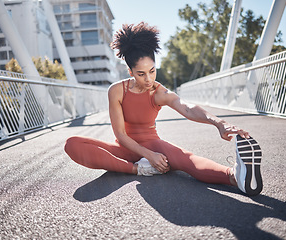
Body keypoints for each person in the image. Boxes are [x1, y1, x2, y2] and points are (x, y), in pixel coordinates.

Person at [64, 22, 263, 196]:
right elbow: (121, 135)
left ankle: (236, 177)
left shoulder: (158, 92)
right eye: (141, 74)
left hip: (154, 146)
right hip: (124, 149)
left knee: (187, 160)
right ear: (130, 71)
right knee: (72, 144)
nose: (149, 79)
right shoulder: (117, 91)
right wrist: (144, 163)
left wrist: (219, 122)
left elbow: (187, 107)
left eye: (152, 71)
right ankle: (135, 169)